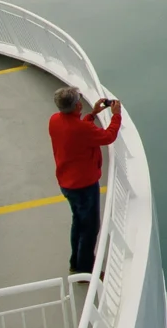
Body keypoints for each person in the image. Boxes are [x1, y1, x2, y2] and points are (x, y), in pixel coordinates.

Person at [49, 86, 121, 274]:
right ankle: (84, 270)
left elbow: (77, 132)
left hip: (67, 183)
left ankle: (76, 263)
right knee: (90, 228)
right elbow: (108, 136)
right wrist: (116, 116)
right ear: (77, 105)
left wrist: (93, 114)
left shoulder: (54, 121)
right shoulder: (82, 129)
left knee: (79, 223)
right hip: (84, 186)